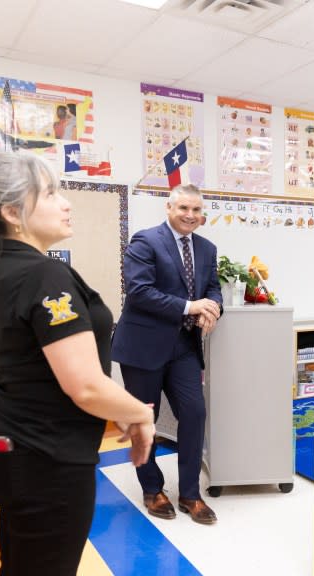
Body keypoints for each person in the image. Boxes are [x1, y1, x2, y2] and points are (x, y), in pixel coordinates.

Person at [0, 146, 154, 576]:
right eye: (52, 192)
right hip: (45, 457)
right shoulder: (43, 276)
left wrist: (117, 407)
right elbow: (86, 386)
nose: (66, 201)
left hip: (18, 444)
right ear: (13, 213)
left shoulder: (7, 264)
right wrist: (142, 413)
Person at [111, 183, 223, 525]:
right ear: (169, 209)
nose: (190, 215)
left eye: (196, 210)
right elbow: (140, 292)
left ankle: (190, 493)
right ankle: (152, 488)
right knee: (145, 419)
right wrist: (192, 306)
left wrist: (214, 307)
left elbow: (213, 288)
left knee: (194, 413)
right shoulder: (146, 242)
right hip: (143, 347)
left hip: (184, 348)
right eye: (183, 208)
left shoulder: (207, 248)